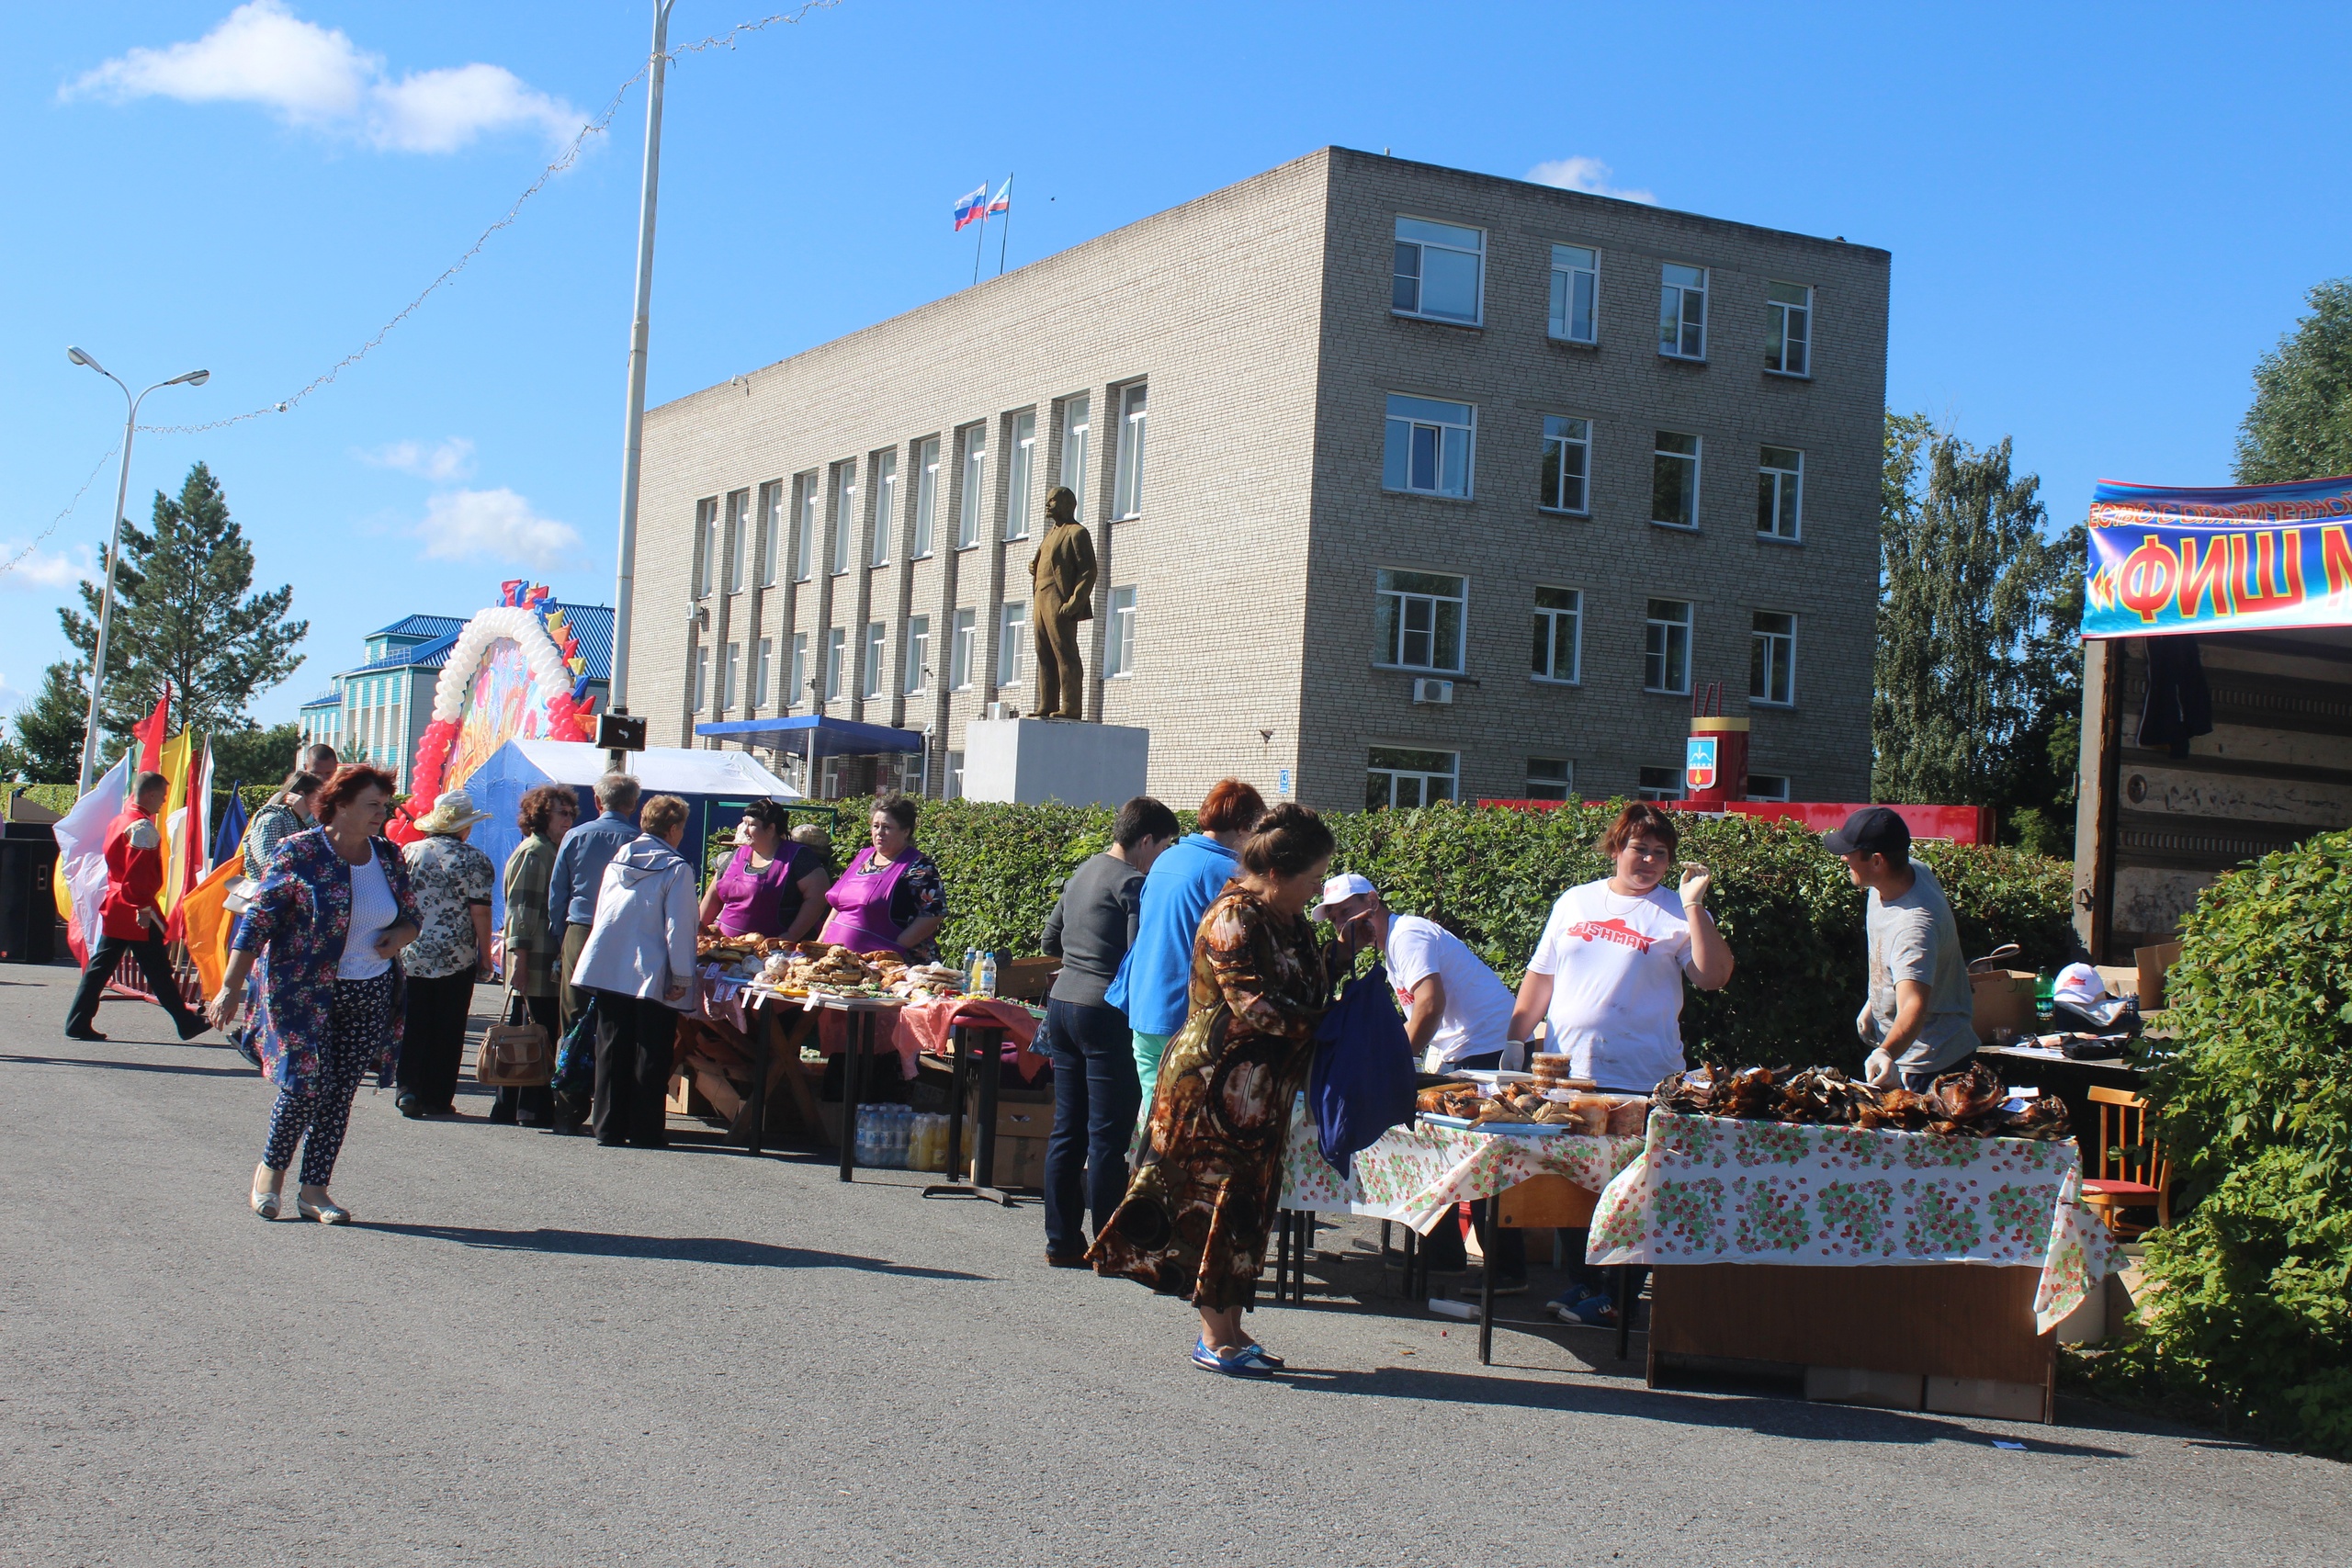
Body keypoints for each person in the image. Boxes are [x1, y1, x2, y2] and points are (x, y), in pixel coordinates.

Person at [1091, 804, 1337, 1378]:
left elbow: (1305, 988)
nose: (1319, 887)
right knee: (1214, 1204)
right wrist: (1332, 1026)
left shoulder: (1288, 918)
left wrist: (1341, 955)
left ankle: (1231, 1327)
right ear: (1277, 872)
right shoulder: (1234, 916)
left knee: (1249, 1208)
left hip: (1260, 1091)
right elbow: (1257, 1007)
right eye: (1313, 876)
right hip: (1211, 1091)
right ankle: (1212, 1335)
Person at [1508, 800, 1733, 1325]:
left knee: (1630, 1189)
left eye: (1661, 853)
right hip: (1572, 1075)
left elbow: (1713, 976)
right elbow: (1542, 977)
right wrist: (1516, 1042)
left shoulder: (1676, 911)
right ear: (1616, 848)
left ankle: (1618, 1295)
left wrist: (1695, 906)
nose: (1649, 860)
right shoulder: (1575, 902)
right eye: (1639, 848)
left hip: (1642, 1077)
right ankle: (1584, 1285)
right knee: (1570, 1181)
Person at [210, 764, 421, 1224]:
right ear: (340, 805)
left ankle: (315, 1190)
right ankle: (271, 1172)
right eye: (372, 805)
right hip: (300, 990)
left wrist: (400, 935)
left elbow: (411, 915)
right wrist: (229, 986)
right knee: (304, 1085)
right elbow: (258, 922)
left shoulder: (388, 855)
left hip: (368, 987)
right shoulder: (298, 851)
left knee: (339, 1092)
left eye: (384, 805)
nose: (381, 813)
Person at [1316, 872, 1526, 1292]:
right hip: (1462, 1052)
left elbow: (1429, 1007)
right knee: (1438, 1150)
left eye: (1349, 909)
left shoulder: (1407, 935)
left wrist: (1397, 1066)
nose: (1343, 923)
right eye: (1336, 917)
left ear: (1372, 901)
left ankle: (1506, 1269)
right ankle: (1443, 1254)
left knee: (1480, 1153)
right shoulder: (1390, 944)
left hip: (1484, 1052)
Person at [1040, 795, 1180, 1267]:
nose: (1164, 855)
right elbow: (1138, 953)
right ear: (1145, 841)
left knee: (1067, 1130)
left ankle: (1060, 1241)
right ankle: (1108, 1244)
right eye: (1164, 845)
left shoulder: (1083, 871)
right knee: (1107, 1136)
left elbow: (1049, 938)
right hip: (1103, 1010)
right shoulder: (1133, 883)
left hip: (1061, 1005)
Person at [1105, 778, 1266, 1107]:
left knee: (1153, 1117)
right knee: (1188, 1128)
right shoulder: (1231, 872)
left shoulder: (1167, 858)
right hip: (1188, 1018)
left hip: (1144, 1006)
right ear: (1244, 827)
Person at [571, 794, 699, 1148]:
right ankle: (644, 1128)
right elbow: (679, 926)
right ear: (673, 829)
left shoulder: (618, 861)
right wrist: (683, 976)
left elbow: (605, 914)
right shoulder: (677, 869)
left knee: (612, 1046)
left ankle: (608, 1126)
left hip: (609, 964)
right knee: (651, 1049)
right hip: (652, 968)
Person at [1824, 806, 1978, 1090]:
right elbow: (1896, 964)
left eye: (1850, 852)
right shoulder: (1906, 873)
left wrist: (1886, 1052)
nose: (1844, 858)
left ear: (1878, 861)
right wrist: (1876, 1002)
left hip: (1931, 1065)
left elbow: (1913, 1004)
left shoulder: (1915, 926)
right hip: (1916, 1054)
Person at [63, 771, 209, 1043]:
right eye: (162, 796)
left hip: (118, 902)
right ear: (151, 794)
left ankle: (79, 1020)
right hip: (135, 907)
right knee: (157, 968)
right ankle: (185, 1021)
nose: (164, 802)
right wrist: (142, 908)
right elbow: (140, 875)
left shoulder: (120, 820)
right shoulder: (142, 828)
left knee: (102, 968)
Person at [394, 788, 497, 1118]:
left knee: (414, 1023)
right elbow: (480, 912)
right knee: (449, 1027)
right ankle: (438, 1097)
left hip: (412, 950)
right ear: (464, 827)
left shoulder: (409, 852)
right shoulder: (476, 860)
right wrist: (485, 955)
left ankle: (407, 1089)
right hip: (457, 953)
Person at [490, 783, 576, 1126]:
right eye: (561, 813)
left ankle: (517, 1107)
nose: (568, 819)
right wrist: (520, 962)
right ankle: (527, 1108)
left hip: (546, 961)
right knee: (531, 1035)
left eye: (571, 813)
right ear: (542, 816)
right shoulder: (534, 852)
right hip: (533, 959)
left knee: (530, 1033)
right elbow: (520, 911)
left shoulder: (552, 849)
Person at [548, 773, 642, 1033]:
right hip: (623, 932)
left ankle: (569, 1068)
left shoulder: (575, 836)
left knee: (574, 1011)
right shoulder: (640, 842)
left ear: (598, 801)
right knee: (614, 1013)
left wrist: (561, 936)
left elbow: (558, 892)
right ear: (633, 804)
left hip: (580, 927)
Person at [815, 792, 945, 959]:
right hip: (840, 960)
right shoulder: (863, 857)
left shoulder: (919, 866)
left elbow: (933, 913)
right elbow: (839, 906)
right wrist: (820, 943)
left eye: (887, 827)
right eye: (875, 826)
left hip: (891, 965)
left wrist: (897, 947)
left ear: (905, 831)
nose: (879, 832)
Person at [700, 798, 831, 942]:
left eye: (751, 825)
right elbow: (713, 895)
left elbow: (817, 898)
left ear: (770, 828)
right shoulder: (737, 855)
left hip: (773, 953)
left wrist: (790, 937)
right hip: (726, 947)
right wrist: (699, 930)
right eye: (744, 823)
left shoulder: (798, 857)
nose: (745, 830)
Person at [243, 771, 322, 880]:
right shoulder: (270, 820)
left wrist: (308, 818)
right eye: (317, 798)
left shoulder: (306, 820)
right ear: (301, 795)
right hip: (271, 891)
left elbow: (324, 846)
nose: (321, 803)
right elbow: (268, 865)